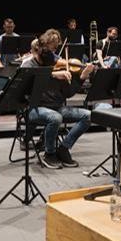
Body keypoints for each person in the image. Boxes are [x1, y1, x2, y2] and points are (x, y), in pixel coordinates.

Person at [19, 28, 96, 168]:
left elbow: (68, 93)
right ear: (42, 48)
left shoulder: (56, 63)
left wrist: (82, 77)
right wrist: (52, 75)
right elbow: (23, 87)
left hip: (56, 107)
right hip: (34, 108)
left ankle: (64, 148)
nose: (54, 56)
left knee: (88, 115)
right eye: (50, 49)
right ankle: (49, 154)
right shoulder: (29, 64)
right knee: (55, 117)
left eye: (55, 50)